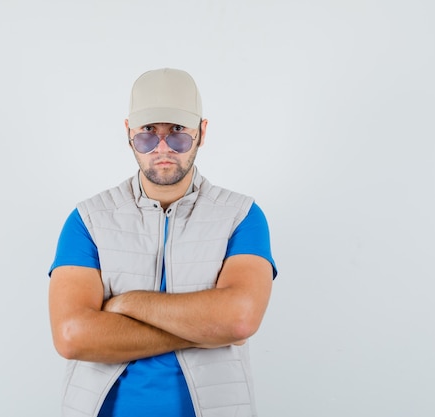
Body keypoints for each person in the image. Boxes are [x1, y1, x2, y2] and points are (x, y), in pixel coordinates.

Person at [48, 68, 277, 417]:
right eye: (148, 133)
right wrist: (211, 329)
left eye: (178, 133)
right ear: (128, 133)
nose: (163, 147)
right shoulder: (89, 219)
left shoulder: (241, 216)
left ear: (202, 132)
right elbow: (71, 336)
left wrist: (127, 304)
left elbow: (240, 320)